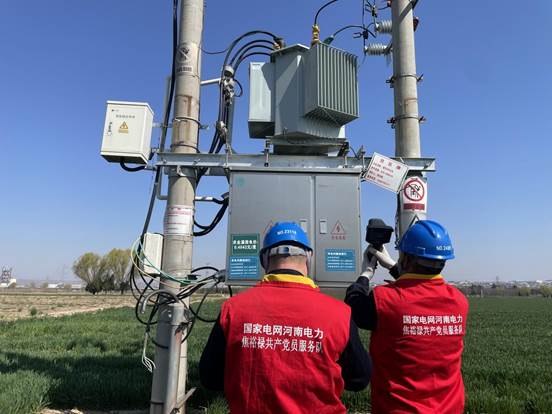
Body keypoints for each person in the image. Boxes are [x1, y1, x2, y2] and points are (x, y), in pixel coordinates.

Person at [200, 221, 371, 414]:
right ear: (309, 258)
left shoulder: (233, 309)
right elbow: (359, 379)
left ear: (264, 260)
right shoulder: (340, 313)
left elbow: (210, 378)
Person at [345, 220, 469, 414]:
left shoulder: (384, 300)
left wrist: (365, 274)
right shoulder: (459, 302)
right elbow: (420, 290)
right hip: (449, 409)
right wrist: (394, 267)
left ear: (407, 259)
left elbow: (353, 306)